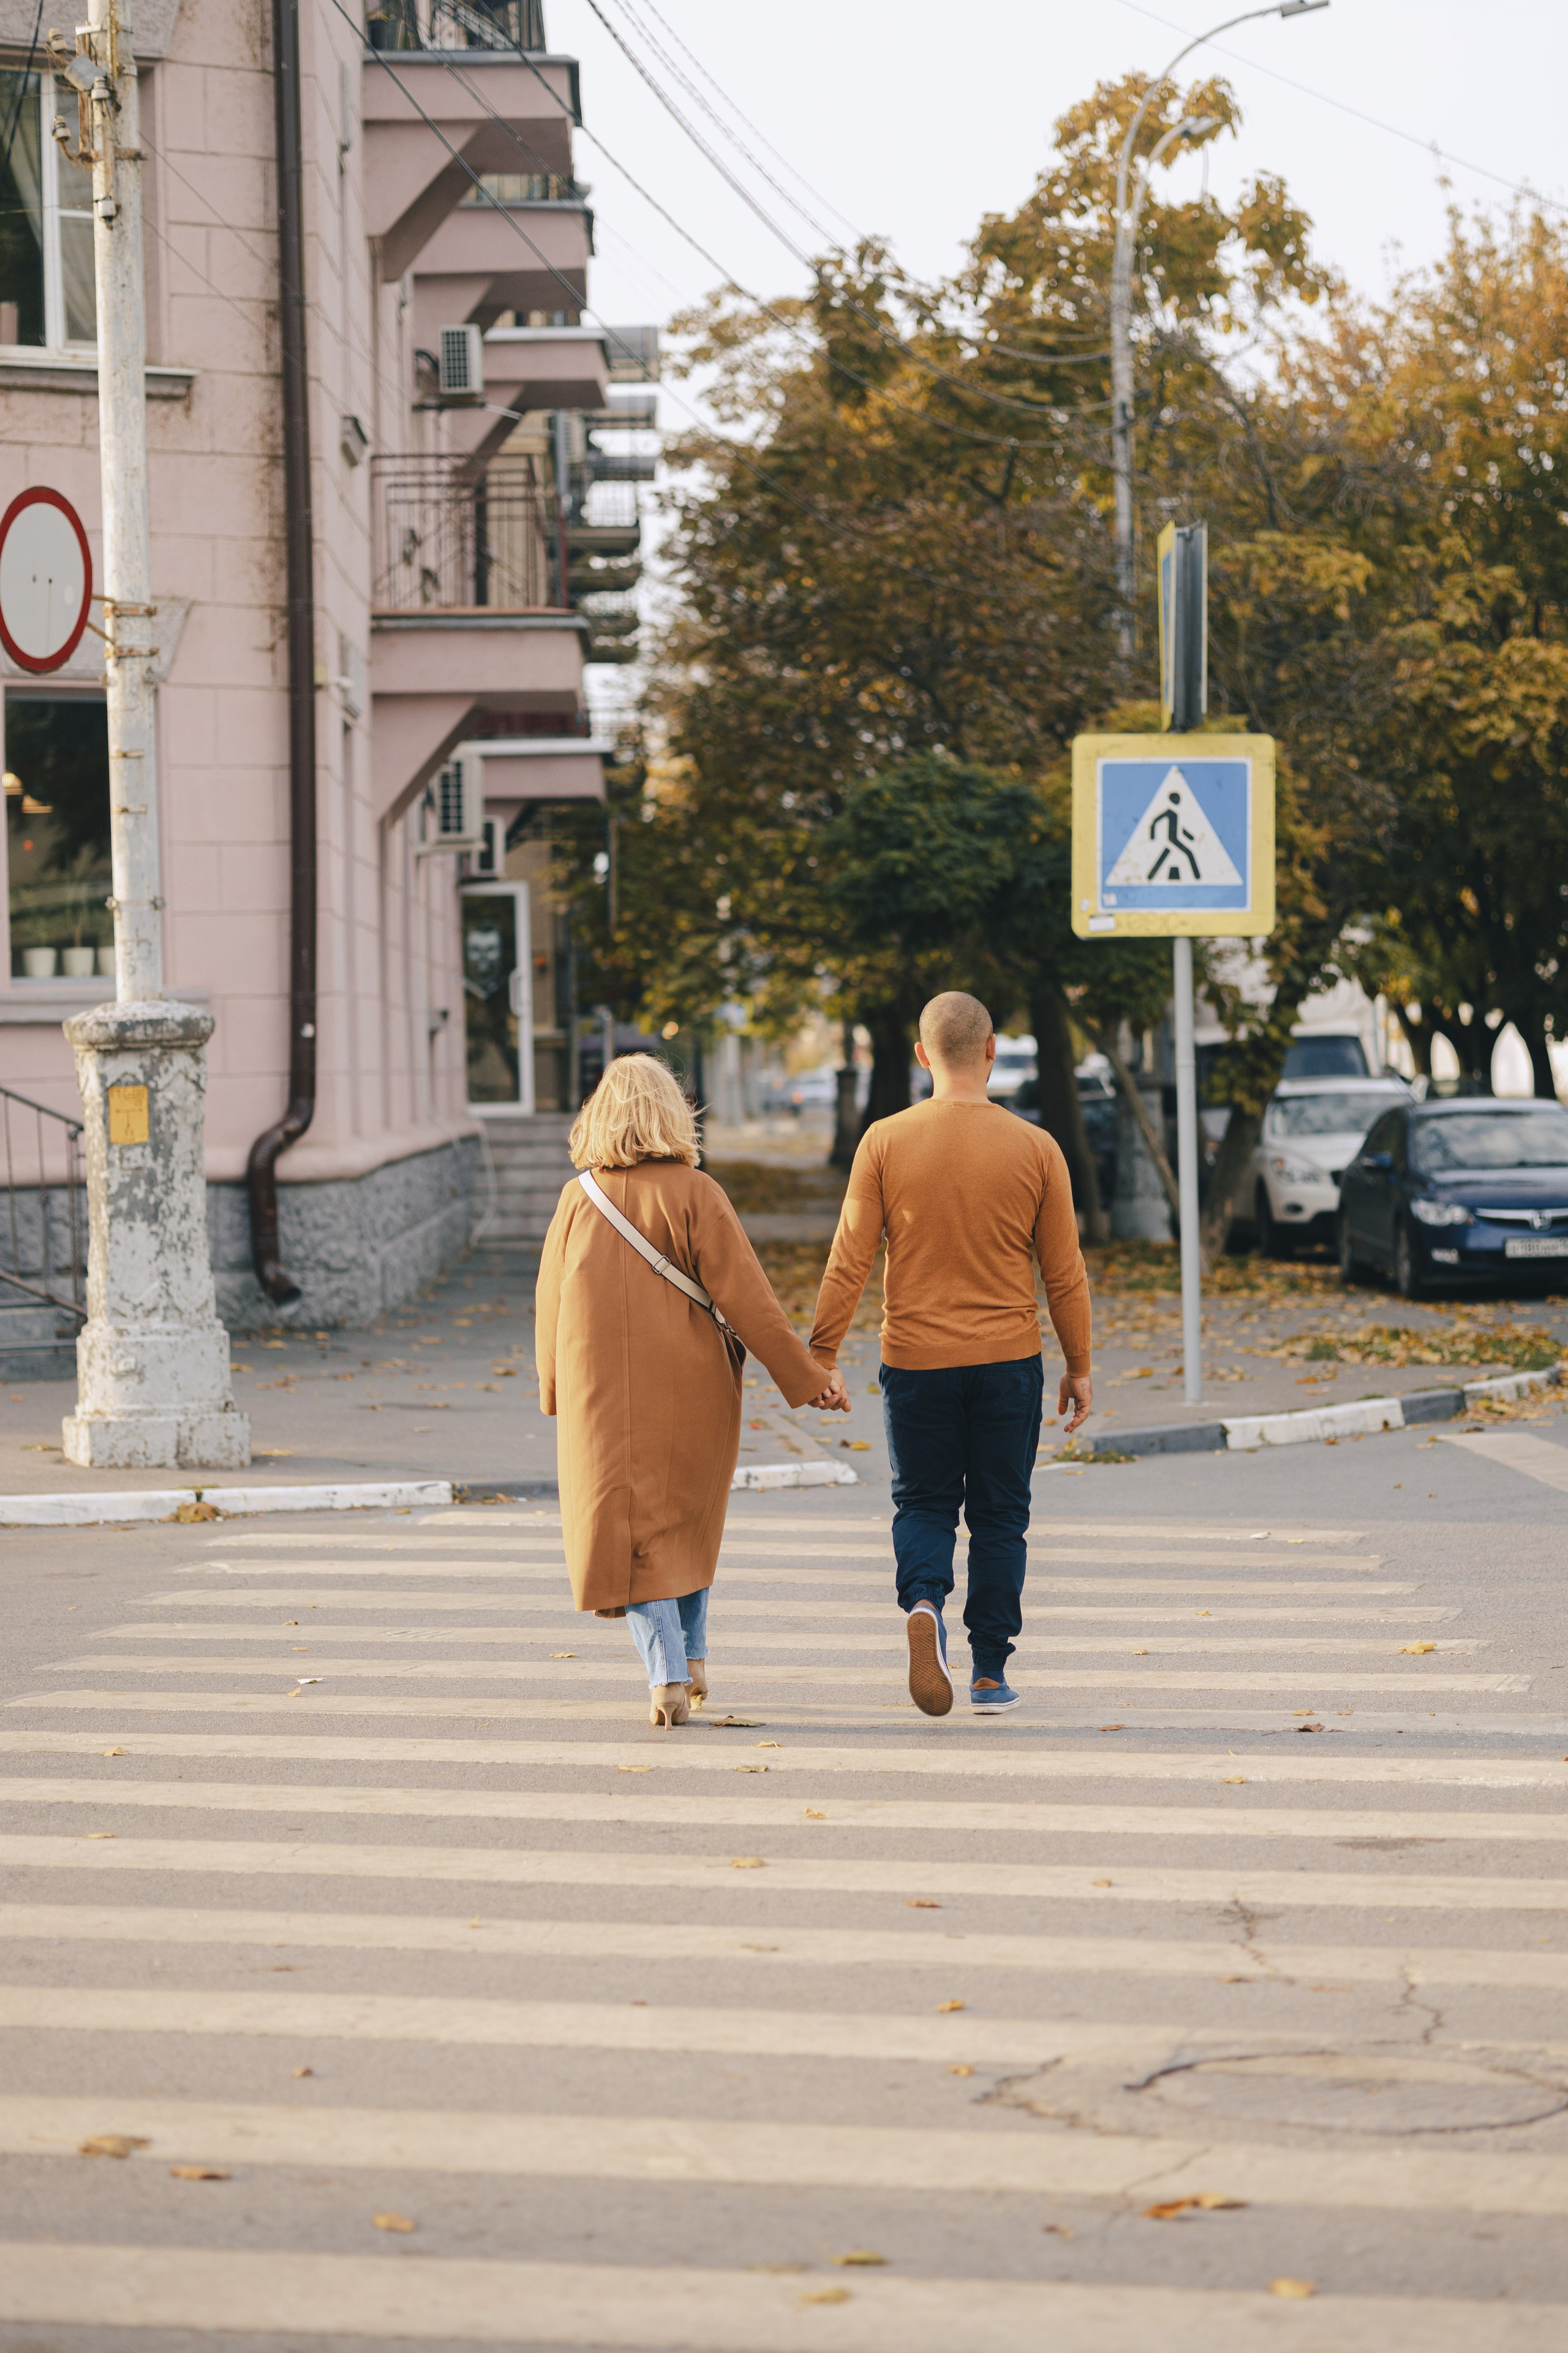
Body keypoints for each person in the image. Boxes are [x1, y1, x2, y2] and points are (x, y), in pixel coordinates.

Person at [535, 1053, 844, 1726]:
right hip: (694, 1385)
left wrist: (554, 1389)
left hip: (600, 1395)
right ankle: (692, 1657)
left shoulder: (576, 1197)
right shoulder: (697, 1193)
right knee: (684, 1523)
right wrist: (808, 1379)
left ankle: (666, 1675)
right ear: (674, 1112)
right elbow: (750, 1301)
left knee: (633, 1530)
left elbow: (550, 1305)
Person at [809, 991, 1091, 1716]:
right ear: (991, 1049)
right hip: (1007, 1362)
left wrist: (822, 1352)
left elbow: (849, 1258)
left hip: (915, 1361)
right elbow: (1064, 1273)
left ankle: (925, 1602)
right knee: (1000, 1515)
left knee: (924, 1503)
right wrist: (1079, 1365)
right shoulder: (1036, 1148)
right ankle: (990, 1672)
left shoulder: (883, 1141)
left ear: (921, 1055)